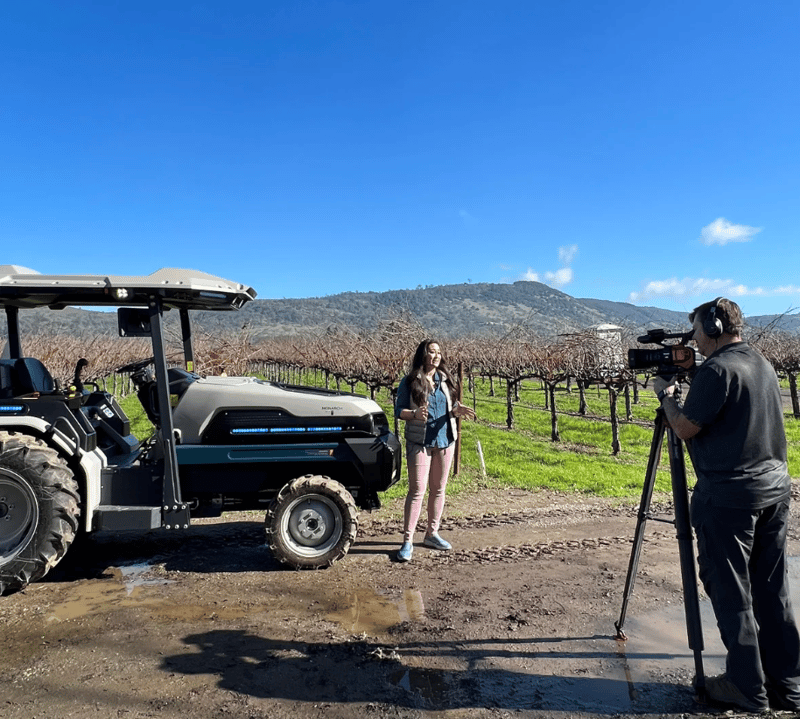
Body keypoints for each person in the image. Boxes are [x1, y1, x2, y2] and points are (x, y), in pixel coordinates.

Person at [654, 297, 800, 713]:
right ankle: (787, 686)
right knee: (773, 591)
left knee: (731, 590)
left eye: (697, 331)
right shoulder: (760, 362)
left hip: (730, 498)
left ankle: (745, 687)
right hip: (774, 491)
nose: (694, 341)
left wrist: (667, 397)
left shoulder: (717, 370)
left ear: (715, 327)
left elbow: (683, 428)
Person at [394, 339, 476, 562]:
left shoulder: (446, 379)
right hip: (419, 442)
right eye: (432, 352)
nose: (436, 356)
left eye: (439, 352)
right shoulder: (410, 381)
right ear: (423, 355)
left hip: (444, 440)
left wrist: (458, 409)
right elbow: (398, 410)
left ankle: (432, 534)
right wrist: (413, 415)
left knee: (439, 489)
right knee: (417, 491)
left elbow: (450, 405)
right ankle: (408, 541)